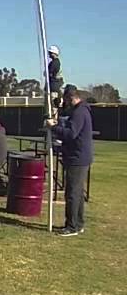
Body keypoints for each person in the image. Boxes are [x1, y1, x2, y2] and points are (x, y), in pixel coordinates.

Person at [47, 85, 93, 236]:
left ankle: (72, 226)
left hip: (77, 158)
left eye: (66, 100)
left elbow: (71, 133)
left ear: (72, 98)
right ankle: (78, 223)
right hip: (78, 156)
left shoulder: (80, 112)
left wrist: (53, 128)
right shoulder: (80, 110)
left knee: (72, 193)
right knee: (77, 193)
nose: (65, 103)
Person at [47, 45, 64, 113]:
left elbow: (50, 73)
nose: (49, 54)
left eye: (50, 53)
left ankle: (53, 120)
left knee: (53, 107)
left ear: (53, 53)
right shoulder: (54, 62)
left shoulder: (55, 63)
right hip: (54, 87)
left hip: (54, 87)